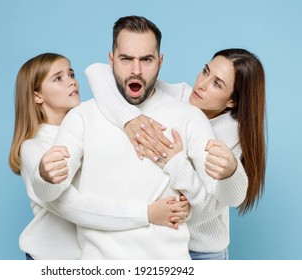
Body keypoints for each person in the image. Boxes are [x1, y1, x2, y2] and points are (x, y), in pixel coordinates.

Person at [33, 16, 246, 259]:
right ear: (111, 60)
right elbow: (50, 194)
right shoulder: (81, 116)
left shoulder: (190, 117)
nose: (136, 70)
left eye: (146, 59)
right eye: (126, 59)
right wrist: (44, 175)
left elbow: (219, 203)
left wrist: (228, 172)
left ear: (160, 62)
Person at [85, 48, 266, 259]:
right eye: (205, 71)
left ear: (231, 101)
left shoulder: (231, 134)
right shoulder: (180, 95)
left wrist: (175, 162)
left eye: (217, 84)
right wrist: (129, 119)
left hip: (202, 251)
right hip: (159, 245)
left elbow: (213, 206)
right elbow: (98, 71)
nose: (201, 85)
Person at [8, 53, 189, 260]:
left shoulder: (87, 125)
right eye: (58, 78)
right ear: (37, 96)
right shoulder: (33, 148)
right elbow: (73, 207)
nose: (72, 82)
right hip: (51, 260)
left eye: (71, 74)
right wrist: (148, 214)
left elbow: (100, 71)